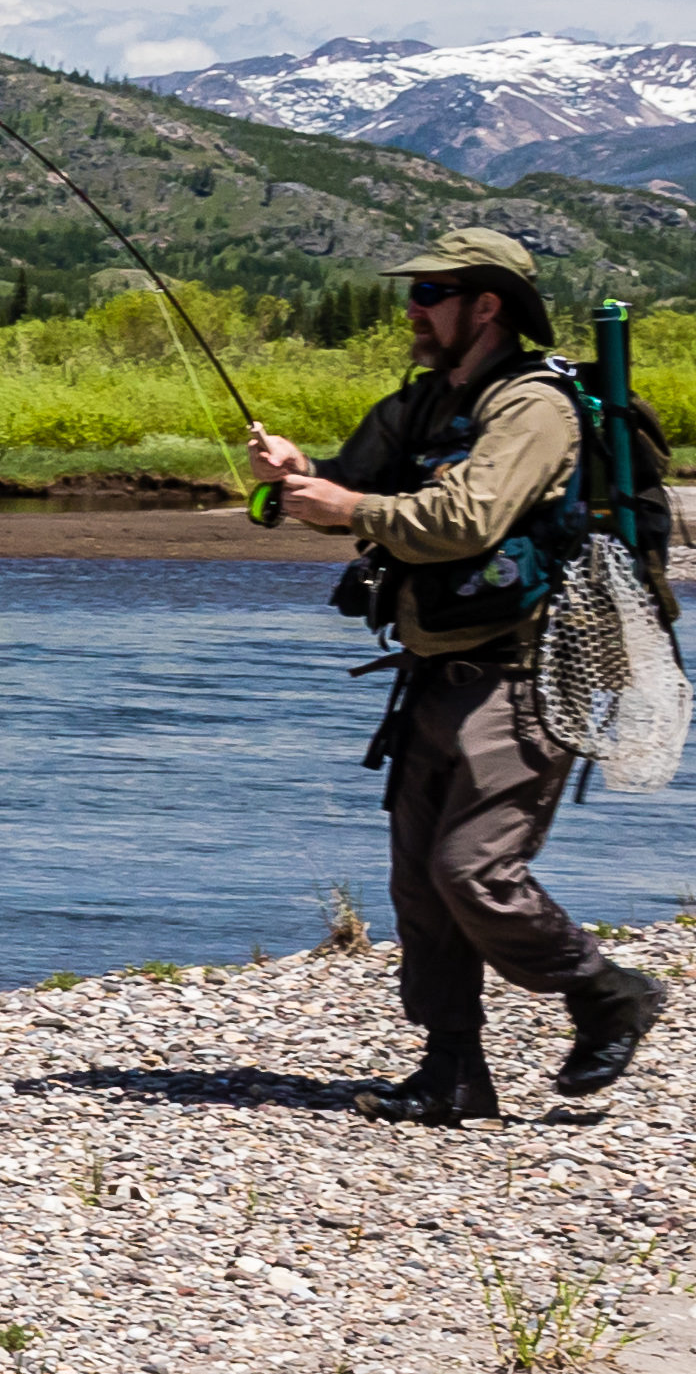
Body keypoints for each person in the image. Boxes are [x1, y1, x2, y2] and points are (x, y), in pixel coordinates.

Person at [243, 229, 669, 1125]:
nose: (413, 307)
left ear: (487, 305)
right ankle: (453, 1074)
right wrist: (295, 477)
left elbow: (469, 517)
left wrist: (350, 505)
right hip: (430, 673)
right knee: (417, 889)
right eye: (414, 290)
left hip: (523, 676)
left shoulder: (535, 406)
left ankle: (605, 993)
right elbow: (347, 495)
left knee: (473, 872)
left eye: (432, 290)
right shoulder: (423, 404)